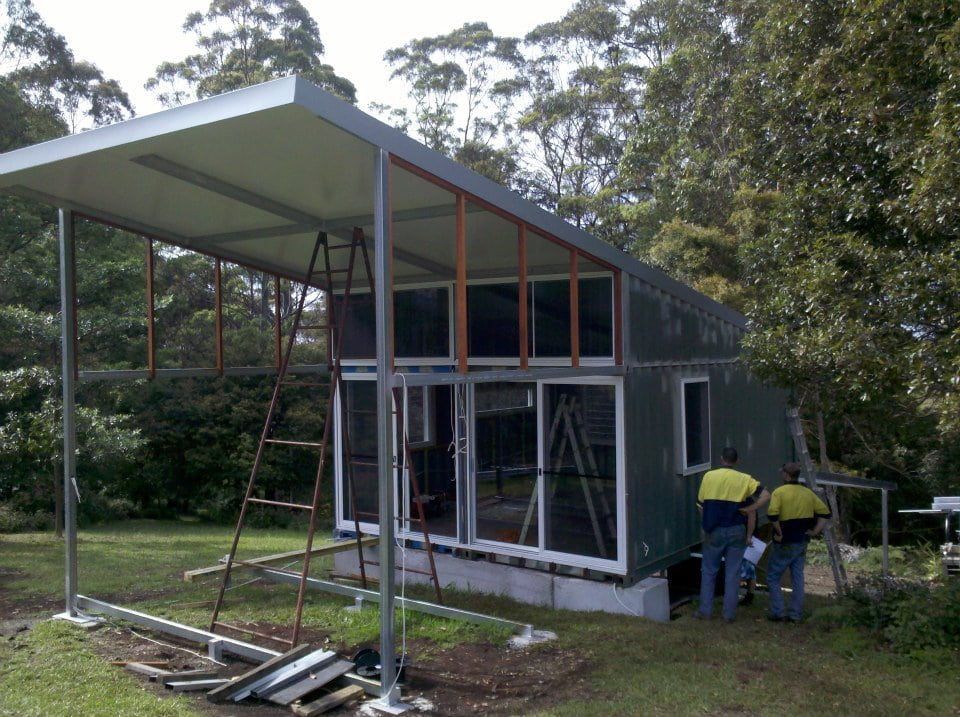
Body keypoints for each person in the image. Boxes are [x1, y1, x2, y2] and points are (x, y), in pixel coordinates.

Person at [695, 446, 770, 622]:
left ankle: (705, 611)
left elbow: (700, 504)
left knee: (709, 571)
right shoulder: (744, 479)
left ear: (721, 459)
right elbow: (766, 495)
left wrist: (706, 525)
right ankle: (729, 614)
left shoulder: (709, 476)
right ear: (737, 462)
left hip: (714, 530)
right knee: (733, 572)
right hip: (737, 530)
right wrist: (749, 509)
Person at [766, 462, 831, 623]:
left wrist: (779, 532)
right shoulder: (808, 493)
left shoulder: (779, 492)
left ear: (786, 475)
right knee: (797, 577)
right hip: (802, 540)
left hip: (784, 541)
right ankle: (795, 614)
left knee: (773, 576)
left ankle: (778, 612)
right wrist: (815, 531)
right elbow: (825, 513)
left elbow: (773, 515)